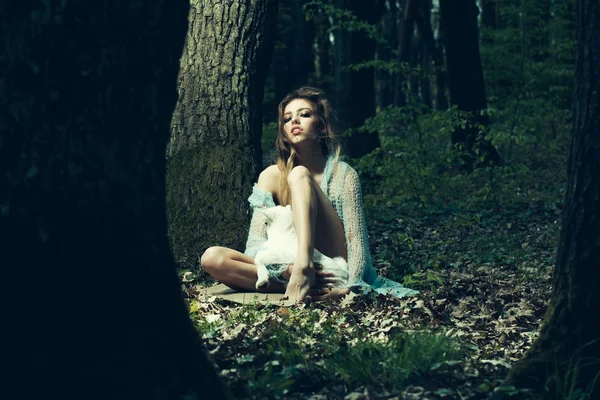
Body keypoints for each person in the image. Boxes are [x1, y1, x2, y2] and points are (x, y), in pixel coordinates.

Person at [201, 86, 418, 301]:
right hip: (288, 264)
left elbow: (356, 243)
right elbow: (255, 245)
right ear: (284, 133)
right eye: (287, 119)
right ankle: (300, 280)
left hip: (333, 263)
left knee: (299, 174)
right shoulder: (269, 176)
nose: (294, 121)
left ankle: (305, 269)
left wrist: (351, 287)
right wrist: (284, 269)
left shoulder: (344, 174)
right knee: (212, 259)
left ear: (322, 128)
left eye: (304, 115)